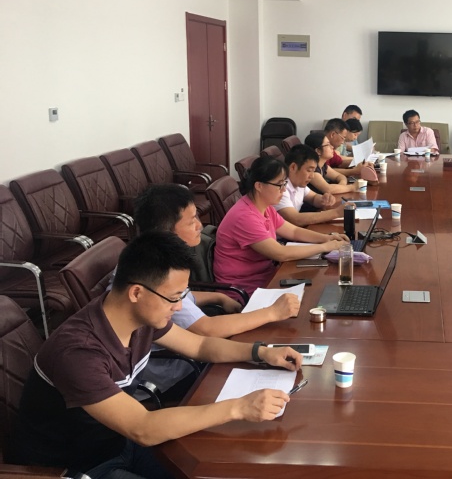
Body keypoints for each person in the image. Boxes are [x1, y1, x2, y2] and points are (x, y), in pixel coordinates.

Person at [8, 232, 303, 478]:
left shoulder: (139, 317)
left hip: (119, 441)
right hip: (78, 465)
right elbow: (143, 428)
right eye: (174, 298)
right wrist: (239, 408)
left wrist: (261, 352)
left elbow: (200, 346)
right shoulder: (78, 352)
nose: (179, 307)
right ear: (137, 293)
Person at [131, 185, 301, 394]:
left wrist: (218, 297)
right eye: (191, 221)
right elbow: (205, 330)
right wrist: (272, 313)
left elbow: (188, 310)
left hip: (193, 354)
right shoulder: (154, 279)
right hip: (176, 376)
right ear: (167, 232)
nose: (200, 226)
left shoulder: (151, 260)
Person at [214, 156, 348, 296]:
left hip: (267, 276)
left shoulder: (265, 207)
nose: (284, 190)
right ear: (259, 186)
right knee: (317, 293)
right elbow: (281, 254)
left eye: (285, 183)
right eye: (279, 185)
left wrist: (326, 238)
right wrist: (325, 247)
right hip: (246, 290)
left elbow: (294, 231)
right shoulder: (245, 217)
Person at [276, 144, 344, 227]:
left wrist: (324, 199)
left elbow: (313, 198)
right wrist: (336, 213)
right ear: (293, 167)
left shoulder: (298, 183)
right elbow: (295, 219)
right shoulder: (280, 188)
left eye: (313, 171)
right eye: (309, 170)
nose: (312, 176)